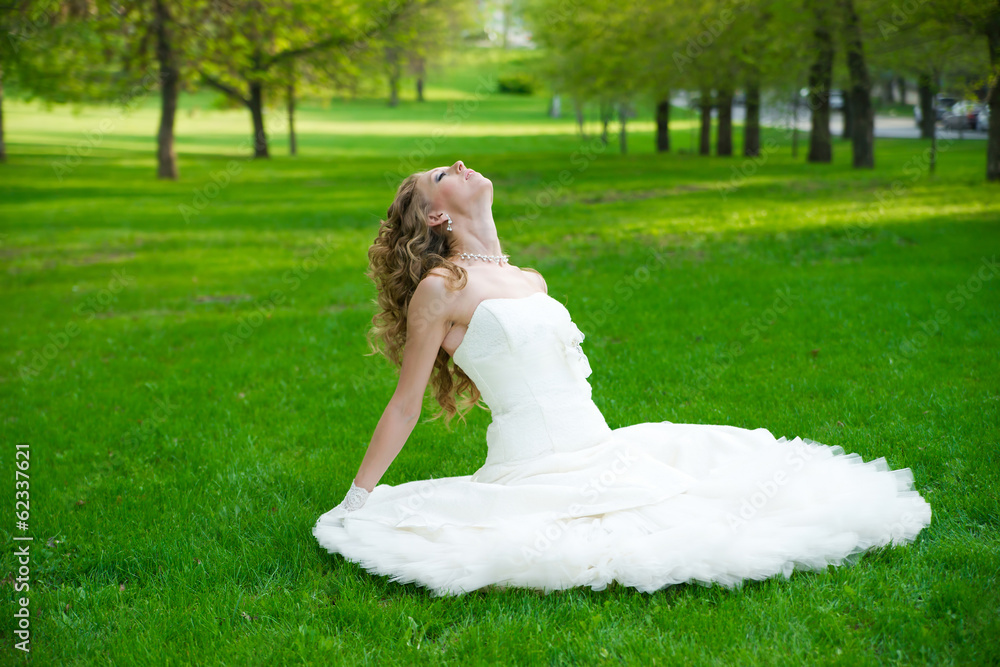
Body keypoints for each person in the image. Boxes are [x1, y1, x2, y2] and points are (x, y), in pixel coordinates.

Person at [312, 160, 932, 597]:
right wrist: (357, 499)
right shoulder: (441, 288)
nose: (459, 163)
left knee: (740, 478)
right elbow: (405, 405)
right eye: (441, 177)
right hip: (538, 467)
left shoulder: (530, 279)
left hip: (601, 445)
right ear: (438, 216)